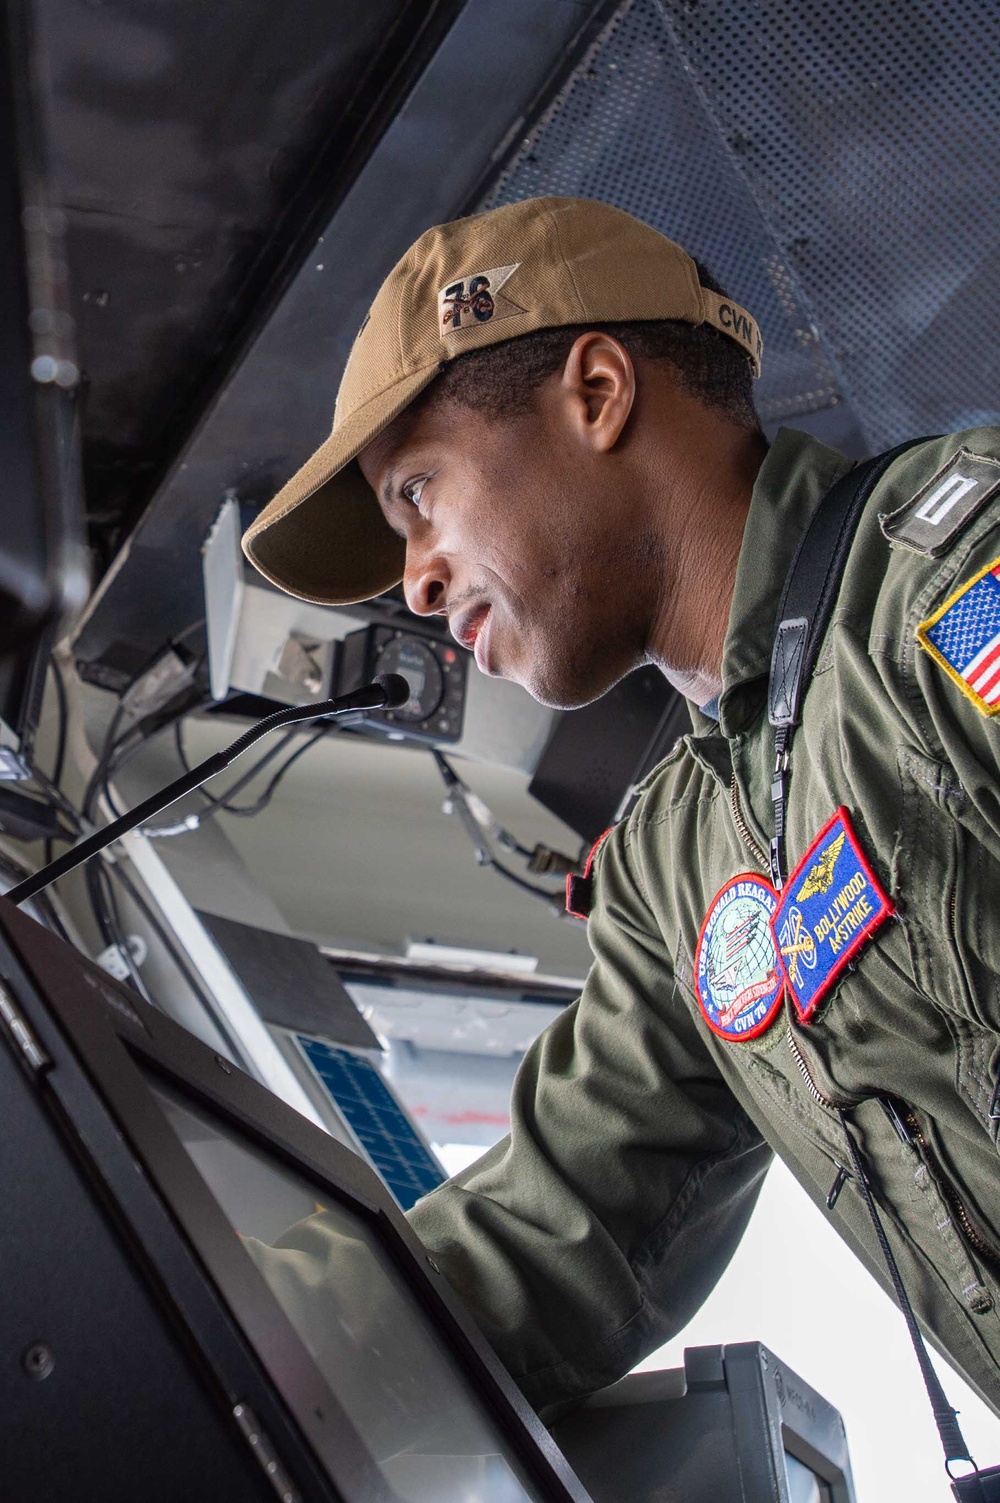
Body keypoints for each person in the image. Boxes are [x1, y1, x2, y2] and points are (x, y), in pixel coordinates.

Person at [243, 196, 1000, 1424]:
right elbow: (549, 1246)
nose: (416, 580)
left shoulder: (954, 579)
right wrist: (193, 1318)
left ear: (596, 393)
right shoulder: (680, 868)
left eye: (420, 495)